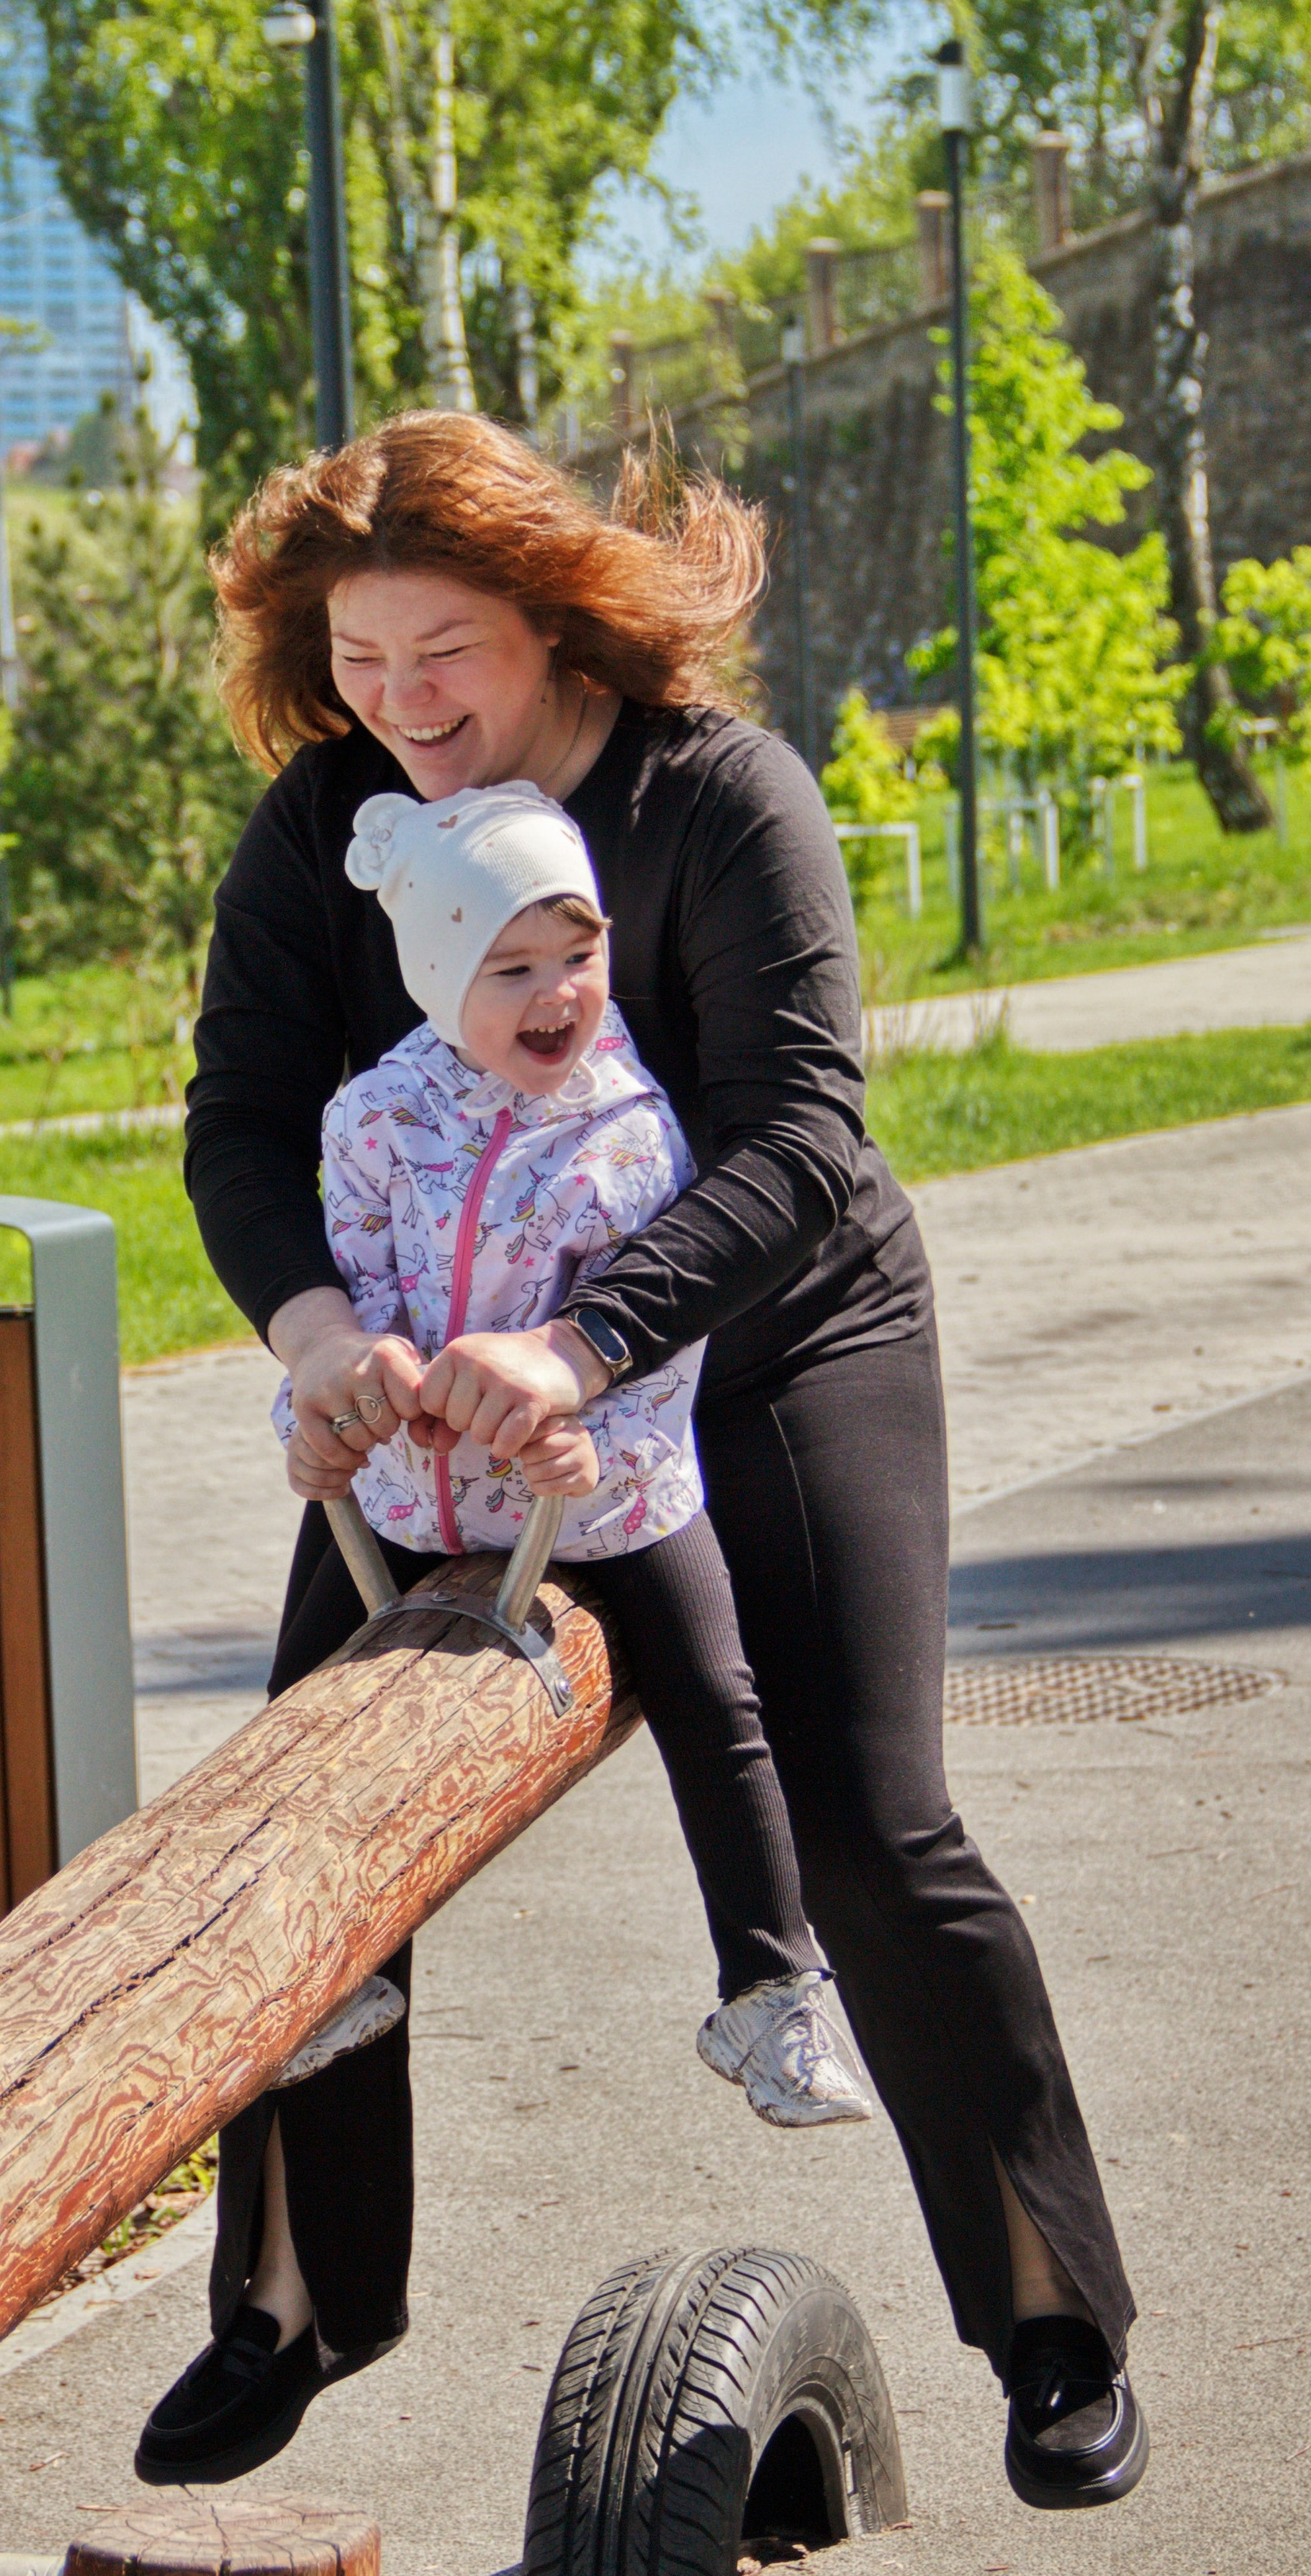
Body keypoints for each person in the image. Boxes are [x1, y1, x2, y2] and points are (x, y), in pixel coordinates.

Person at [135, 411, 1147, 2520]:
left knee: (868, 1825)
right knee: (301, 1824)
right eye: (360, 660)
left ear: (554, 615)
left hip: (769, 1346)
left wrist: (589, 1342)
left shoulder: (718, 794)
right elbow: (239, 1117)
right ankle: (296, 2297)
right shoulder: (328, 825)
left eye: (445, 651)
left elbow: (801, 1138)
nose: (402, 703)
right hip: (451, 1393)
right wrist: (317, 1331)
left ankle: (1050, 2315)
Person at [264, 777, 871, 2144]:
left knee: (716, 1695)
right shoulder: (375, 1121)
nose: (558, 996)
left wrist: (574, 1432)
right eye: (512, 969)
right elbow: (356, 1305)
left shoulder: (628, 1129)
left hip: (599, 1491)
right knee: (304, 1708)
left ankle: (770, 1983)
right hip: (408, 1496)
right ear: (438, 980)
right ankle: (324, 1972)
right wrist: (345, 1406)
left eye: (579, 954)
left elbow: (653, 1336)